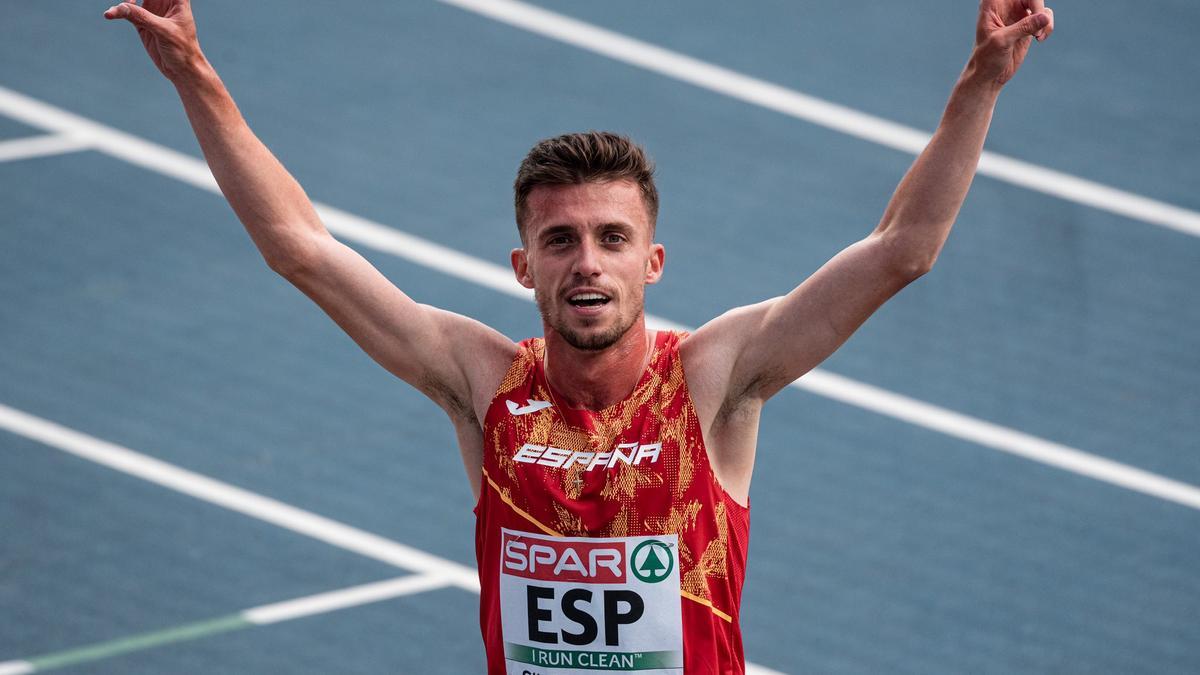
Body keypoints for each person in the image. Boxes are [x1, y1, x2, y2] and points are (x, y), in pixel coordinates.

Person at [105, 1, 1054, 672]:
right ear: (524, 266)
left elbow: (902, 251)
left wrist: (981, 82)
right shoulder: (482, 384)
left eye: (612, 239)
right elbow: (302, 249)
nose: (587, 263)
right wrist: (193, 71)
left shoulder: (715, 379)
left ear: (654, 262)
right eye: (560, 241)